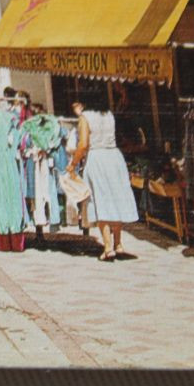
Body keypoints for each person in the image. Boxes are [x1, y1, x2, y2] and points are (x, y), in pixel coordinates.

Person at [70, 91, 139, 261]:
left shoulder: (85, 117)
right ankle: (118, 243)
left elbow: (83, 144)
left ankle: (108, 247)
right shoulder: (109, 115)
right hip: (114, 157)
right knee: (116, 198)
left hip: (97, 158)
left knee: (100, 200)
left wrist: (73, 163)